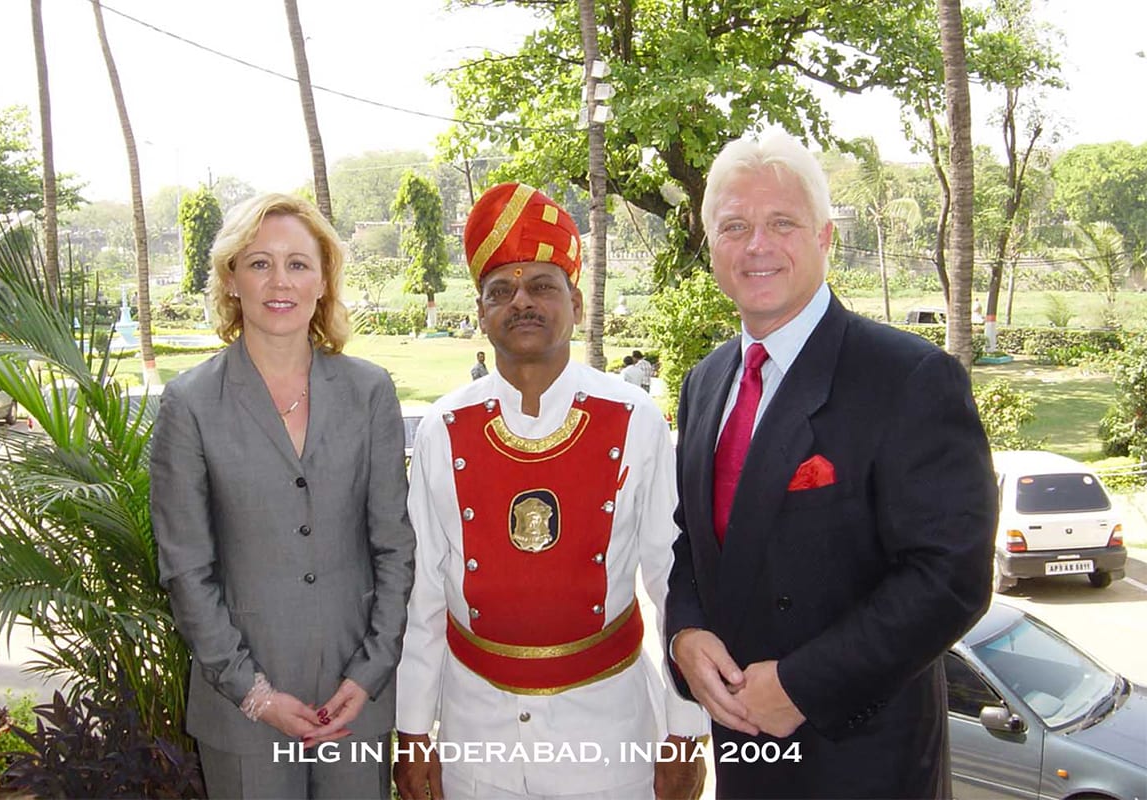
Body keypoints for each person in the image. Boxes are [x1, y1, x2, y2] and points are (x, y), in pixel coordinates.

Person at [665, 132, 996, 799]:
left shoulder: (908, 377)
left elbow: (949, 576)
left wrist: (800, 687)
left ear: (825, 237)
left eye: (781, 223)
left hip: (863, 762)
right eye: (734, 226)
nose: (757, 245)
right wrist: (684, 632)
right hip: (745, 759)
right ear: (711, 248)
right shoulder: (705, 383)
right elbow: (694, 544)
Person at [395, 182, 708, 800]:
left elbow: (671, 578)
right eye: (501, 291)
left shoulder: (636, 418)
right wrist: (412, 733)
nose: (522, 303)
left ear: (577, 302)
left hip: (610, 739)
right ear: (481, 313)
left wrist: (684, 729)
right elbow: (425, 592)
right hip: (472, 737)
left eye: (542, 285)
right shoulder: (443, 428)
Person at [150, 193, 416, 799]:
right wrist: (255, 693)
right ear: (231, 278)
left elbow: (395, 548)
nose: (280, 281)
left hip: (355, 704)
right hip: (240, 707)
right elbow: (187, 569)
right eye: (260, 262)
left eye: (298, 264)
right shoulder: (189, 404)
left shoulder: (369, 392)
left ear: (323, 281)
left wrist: (371, 673)